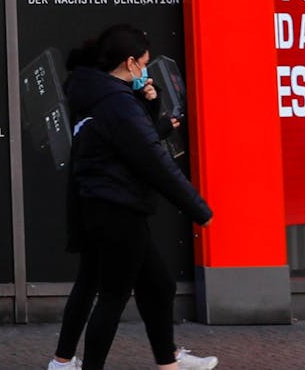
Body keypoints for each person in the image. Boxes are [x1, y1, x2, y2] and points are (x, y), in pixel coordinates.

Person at [49, 25, 217, 370]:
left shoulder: (98, 93)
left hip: (100, 205)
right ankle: (96, 365)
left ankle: (166, 361)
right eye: (144, 63)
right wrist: (199, 208)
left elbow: (128, 142)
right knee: (113, 297)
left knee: (157, 284)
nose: (146, 70)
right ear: (130, 63)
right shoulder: (116, 103)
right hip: (119, 210)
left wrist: (145, 103)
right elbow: (152, 158)